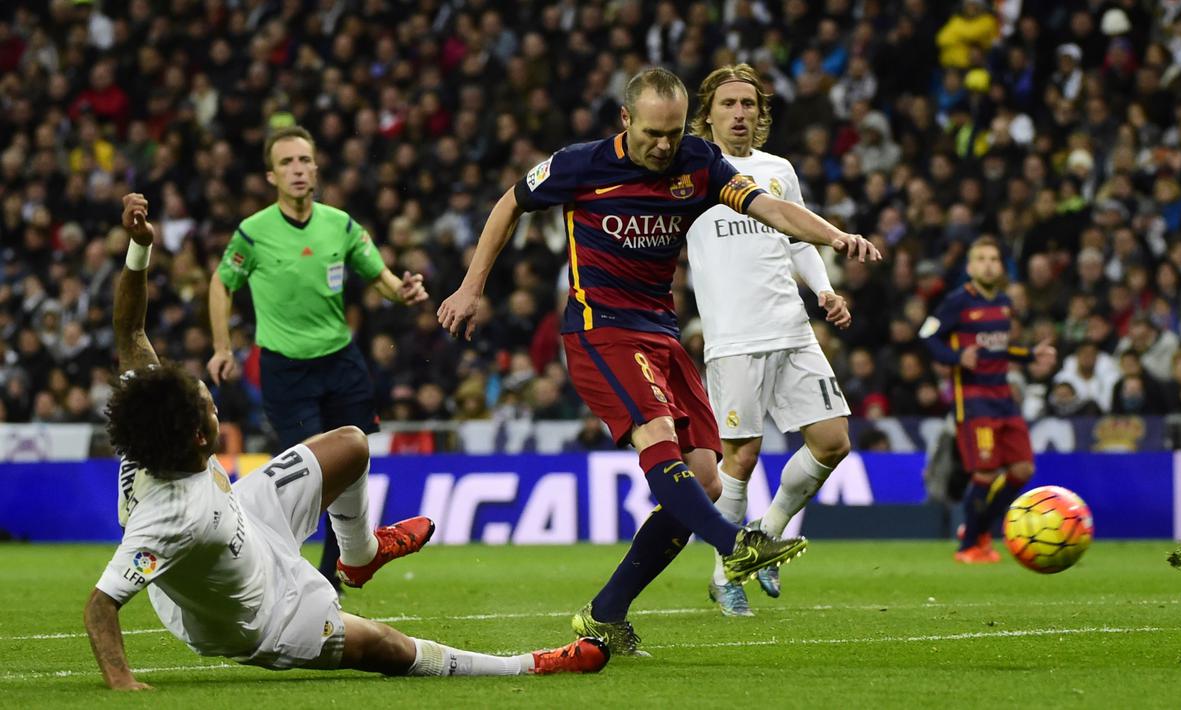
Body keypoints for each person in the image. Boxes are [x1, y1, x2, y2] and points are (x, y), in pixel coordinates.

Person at [438, 67, 881, 655]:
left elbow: (769, 208)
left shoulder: (697, 163)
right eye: (653, 133)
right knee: (659, 439)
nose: (664, 146)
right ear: (626, 121)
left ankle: (605, 614)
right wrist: (472, 287)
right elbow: (508, 205)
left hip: (662, 335)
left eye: (673, 134)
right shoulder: (580, 164)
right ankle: (735, 545)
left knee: (703, 476)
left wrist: (834, 236)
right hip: (603, 331)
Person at [85, 194, 608, 690]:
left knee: (352, 443)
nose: (214, 404)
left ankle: (358, 556)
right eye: (210, 406)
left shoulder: (151, 417)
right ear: (200, 437)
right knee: (388, 648)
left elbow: (130, 332)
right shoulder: (171, 517)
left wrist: (140, 246)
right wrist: (121, 681)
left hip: (245, 514)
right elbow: (101, 605)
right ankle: (528, 666)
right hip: (258, 614)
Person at [207, 126, 427, 591]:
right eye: (287, 163)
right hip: (287, 370)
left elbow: (380, 276)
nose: (298, 170)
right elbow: (221, 282)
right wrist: (223, 346)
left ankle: (331, 578)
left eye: (304, 160)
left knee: (351, 471)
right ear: (271, 176)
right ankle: (279, 571)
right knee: (308, 478)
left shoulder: (340, 224)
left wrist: (402, 292)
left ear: (316, 167)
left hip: (341, 363)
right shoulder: (253, 233)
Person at [685, 64, 854, 616]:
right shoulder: (688, 170)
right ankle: (724, 573)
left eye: (749, 105)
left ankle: (766, 534)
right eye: (729, 103)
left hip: (792, 326)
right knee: (742, 455)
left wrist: (826, 290)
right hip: (733, 335)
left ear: (760, 114)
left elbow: (799, 235)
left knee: (832, 441)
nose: (739, 113)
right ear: (707, 112)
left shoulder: (778, 170)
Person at [919, 237, 1056, 563]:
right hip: (974, 400)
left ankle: (978, 530)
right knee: (985, 473)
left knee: (1022, 469)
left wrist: (1029, 355)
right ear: (970, 267)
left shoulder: (1005, 303)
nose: (988, 264)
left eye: (994, 258)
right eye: (981, 259)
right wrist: (954, 356)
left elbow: (997, 349)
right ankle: (969, 546)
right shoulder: (957, 301)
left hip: (1004, 397)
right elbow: (926, 334)